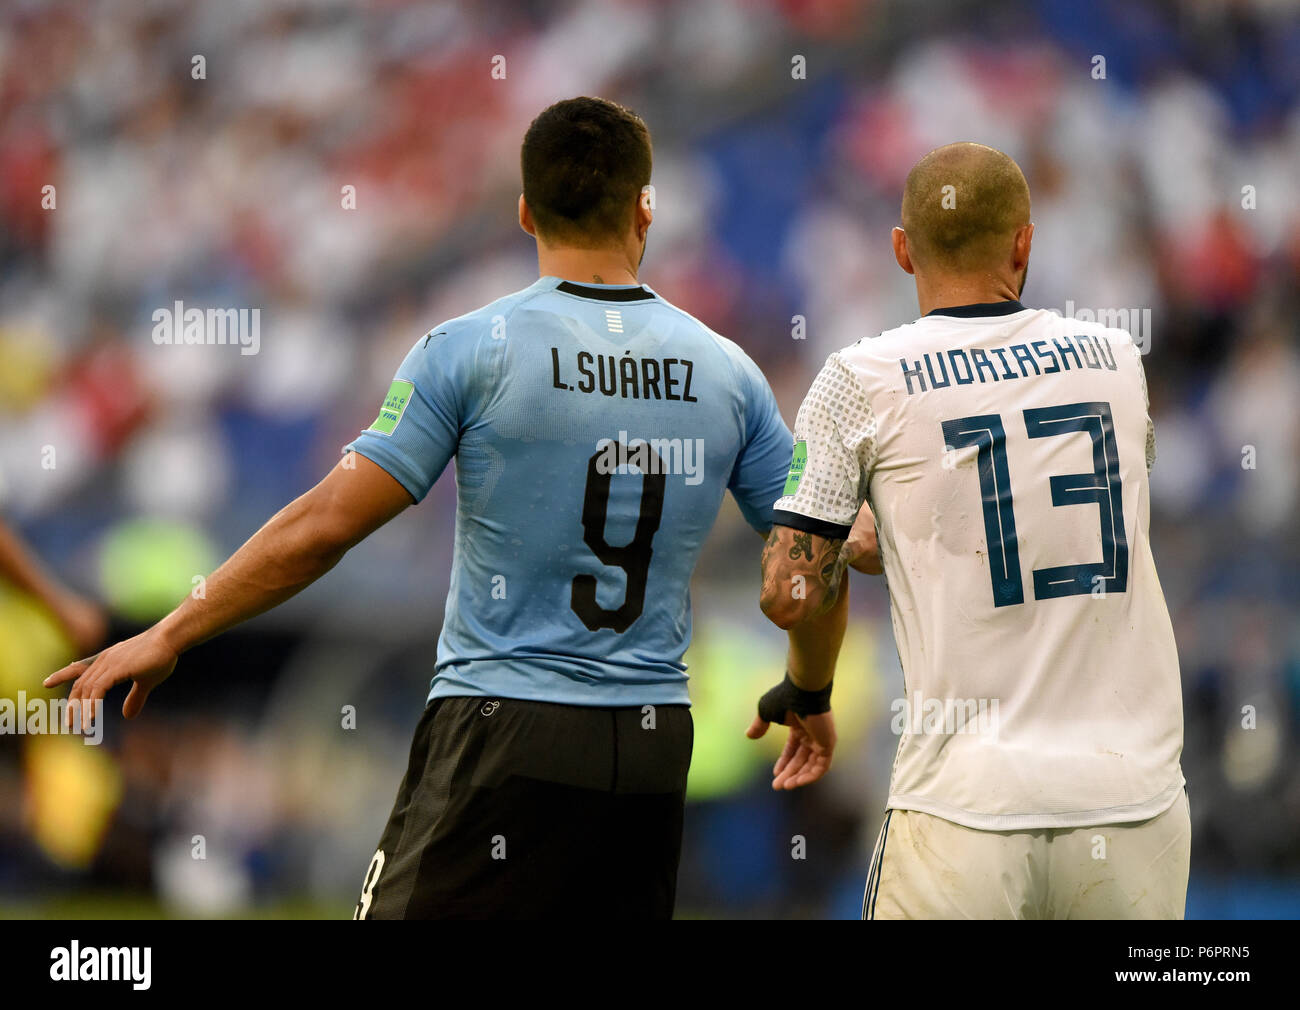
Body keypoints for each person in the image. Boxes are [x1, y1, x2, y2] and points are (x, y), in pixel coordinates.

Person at [45, 96, 855, 920]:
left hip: (504, 720)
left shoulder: (474, 349)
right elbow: (815, 550)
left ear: (524, 212)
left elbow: (325, 528)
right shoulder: (728, 373)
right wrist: (812, 689)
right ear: (647, 208)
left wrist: (173, 630)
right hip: (649, 741)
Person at [758, 142, 1188, 920]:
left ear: (900, 250)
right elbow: (1070, 511)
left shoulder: (864, 378)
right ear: (1025, 241)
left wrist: (811, 682)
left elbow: (790, 591)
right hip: (1135, 803)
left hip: (967, 808)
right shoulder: (1117, 359)